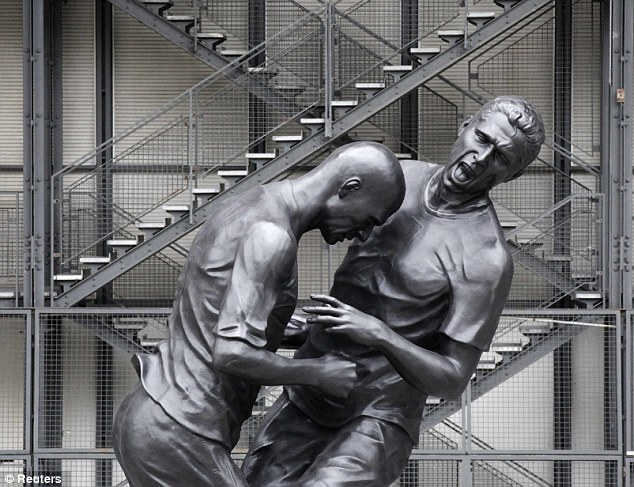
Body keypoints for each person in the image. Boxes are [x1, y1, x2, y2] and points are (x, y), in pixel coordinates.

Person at [242, 95, 546, 487]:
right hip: (311, 384)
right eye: (483, 138)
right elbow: (313, 216)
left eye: (501, 157)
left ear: (513, 175)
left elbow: (453, 379)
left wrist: (379, 334)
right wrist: (308, 326)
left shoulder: (486, 258)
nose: (481, 158)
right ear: (465, 125)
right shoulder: (395, 177)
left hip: (379, 416)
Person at [112, 141, 406, 487]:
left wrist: (295, 332)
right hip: (177, 428)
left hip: (160, 417)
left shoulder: (251, 203)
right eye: (369, 220)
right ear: (349, 188)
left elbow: (211, 312)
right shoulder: (272, 237)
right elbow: (230, 353)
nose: (364, 234)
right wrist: (317, 372)